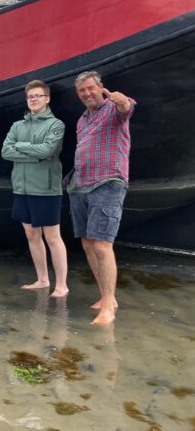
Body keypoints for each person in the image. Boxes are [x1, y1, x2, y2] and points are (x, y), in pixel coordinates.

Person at [65, 71, 135, 326]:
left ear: (100, 87)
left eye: (90, 88)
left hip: (107, 182)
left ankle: (108, 306)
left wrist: (121, 100)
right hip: (81, 185)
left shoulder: (113, 110)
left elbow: (127, 108)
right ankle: (108, 297)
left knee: (102, 245)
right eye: (82, 90)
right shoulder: (82, 120)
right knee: (86, 242)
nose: (87, 93)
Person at [1, 80, 68, 297]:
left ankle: (61, 285)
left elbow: (48, 150)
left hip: (46, 189)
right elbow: (5, 152)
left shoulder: (56, 125)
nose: (34, 99)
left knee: (52, 237)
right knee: (31, 234)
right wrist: (36, 155)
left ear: (47, 98)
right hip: (22, 188)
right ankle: (42, 280)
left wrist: (20, 148)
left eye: (38, 96)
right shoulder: (16, 126)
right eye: (30, 96)